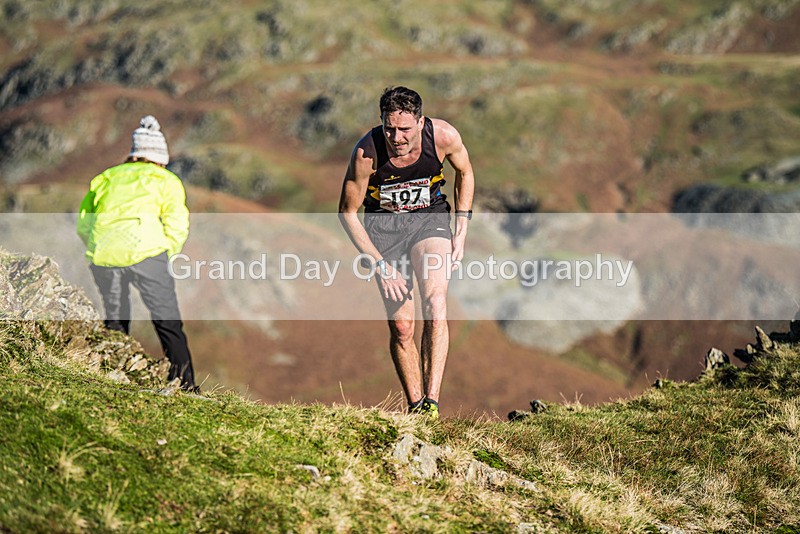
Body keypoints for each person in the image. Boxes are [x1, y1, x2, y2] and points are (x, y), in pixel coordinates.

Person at [338, 86, 475, 418]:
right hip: (385, 232)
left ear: (420, 122)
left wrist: (462, 225)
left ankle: (432, 403)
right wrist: (380, 267)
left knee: (436, 305)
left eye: (404, 129)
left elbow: (465, 172)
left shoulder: (442, 136)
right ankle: (415, 407)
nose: (396, 137)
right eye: (389, 128)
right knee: (402, 327)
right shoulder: (367, 153)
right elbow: (347, 213)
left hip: (429, 221)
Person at [77, 115, 197, 391]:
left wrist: (100, 246)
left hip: (105, 253)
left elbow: (84, 223)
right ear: (159, 157)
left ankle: (111, 375)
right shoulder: (166, 180)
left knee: (116, 317)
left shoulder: (105, 178)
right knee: (167, 321)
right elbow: (177, 224)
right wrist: (166, 252)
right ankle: (185, 384)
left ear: (134, 153)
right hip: (148, 252)